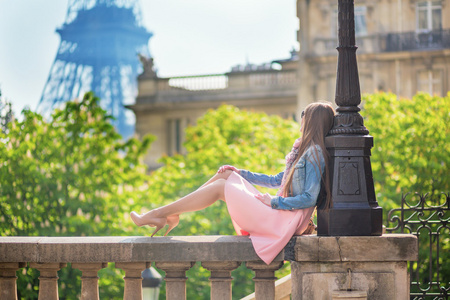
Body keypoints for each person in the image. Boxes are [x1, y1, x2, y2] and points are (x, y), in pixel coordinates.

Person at [130, 102, 335, 264]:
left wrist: (273, 202)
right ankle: (167, 214)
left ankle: (160, 215)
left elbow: (309, 198)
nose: (301, 122)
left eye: (304, 117)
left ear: (311, 122)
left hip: (282, 220)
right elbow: (276, 180)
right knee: (227, 174)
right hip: (279, 214)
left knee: (221, 187)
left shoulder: (315, 153)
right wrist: (241, 173)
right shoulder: (304, 152)